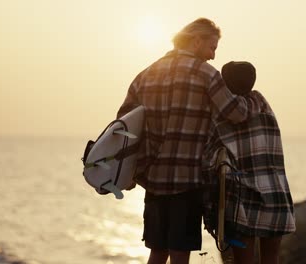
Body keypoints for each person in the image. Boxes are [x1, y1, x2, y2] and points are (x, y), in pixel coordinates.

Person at [116, 19, 263, 264]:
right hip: (187, 179)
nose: (214, 55)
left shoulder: (146, 74)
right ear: (197, 41)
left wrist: (131, 171)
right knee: (180, 252)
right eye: (212, 47)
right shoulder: (206, 74)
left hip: (152, 180)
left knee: (158, 251)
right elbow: (235, 113)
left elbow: (123, 123)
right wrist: (255, 100)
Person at [202, 61, 296, 264]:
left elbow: (208, 158)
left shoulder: (221, 116)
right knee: (271, 258)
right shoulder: (265, 108)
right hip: (274, 192)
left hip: (241, 199)